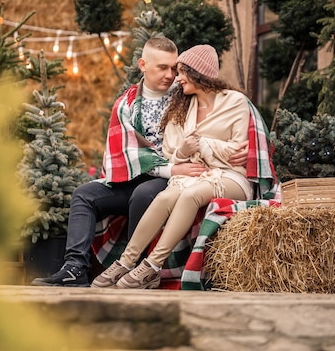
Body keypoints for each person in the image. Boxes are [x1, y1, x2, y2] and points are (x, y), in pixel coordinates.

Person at [31, 37, 247, 287]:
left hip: (174, 178)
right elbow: (126, 150)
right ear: (143, 65)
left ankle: (136, 269)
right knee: (84, 194)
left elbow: (218, 115)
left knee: (145, 194)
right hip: (139, 173)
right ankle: (74, 268)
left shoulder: (184, 95)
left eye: (174, 69)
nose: (171, 76)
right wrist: (172, 166)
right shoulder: (128, 103)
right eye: (162, 68)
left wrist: (242, 150)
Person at [91, 44, 254, 289]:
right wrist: (186, 151)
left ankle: (152, 266)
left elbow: (238, 152)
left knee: (190, 195)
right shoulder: (184, 107)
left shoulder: (235, 103)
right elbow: (171, 153)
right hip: (197, 174)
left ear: (198, 72)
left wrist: (203, 144)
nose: (176, 79)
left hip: (231, 178)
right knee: (165, 197)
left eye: (181, 72)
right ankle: (125, 262)